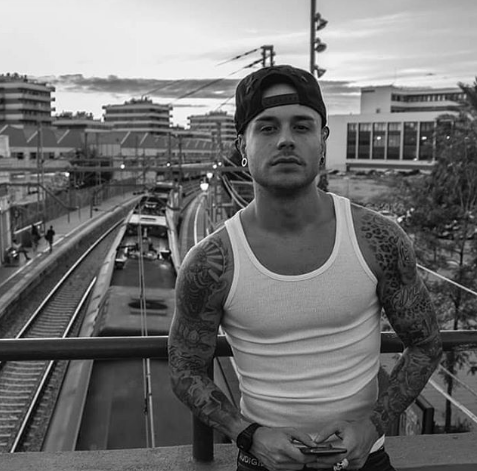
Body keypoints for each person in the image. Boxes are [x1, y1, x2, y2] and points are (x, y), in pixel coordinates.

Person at [168, 65, 443, 471]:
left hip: (364, 460)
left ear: (322, 141)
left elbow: (425, 344)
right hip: (262, 461)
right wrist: (248, 434)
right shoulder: (212, 262)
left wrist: (372, 426)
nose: (285, 140)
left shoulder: (378, 239)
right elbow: (185, 367)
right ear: (242, 146)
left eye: (301, 126)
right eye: (266, 128)